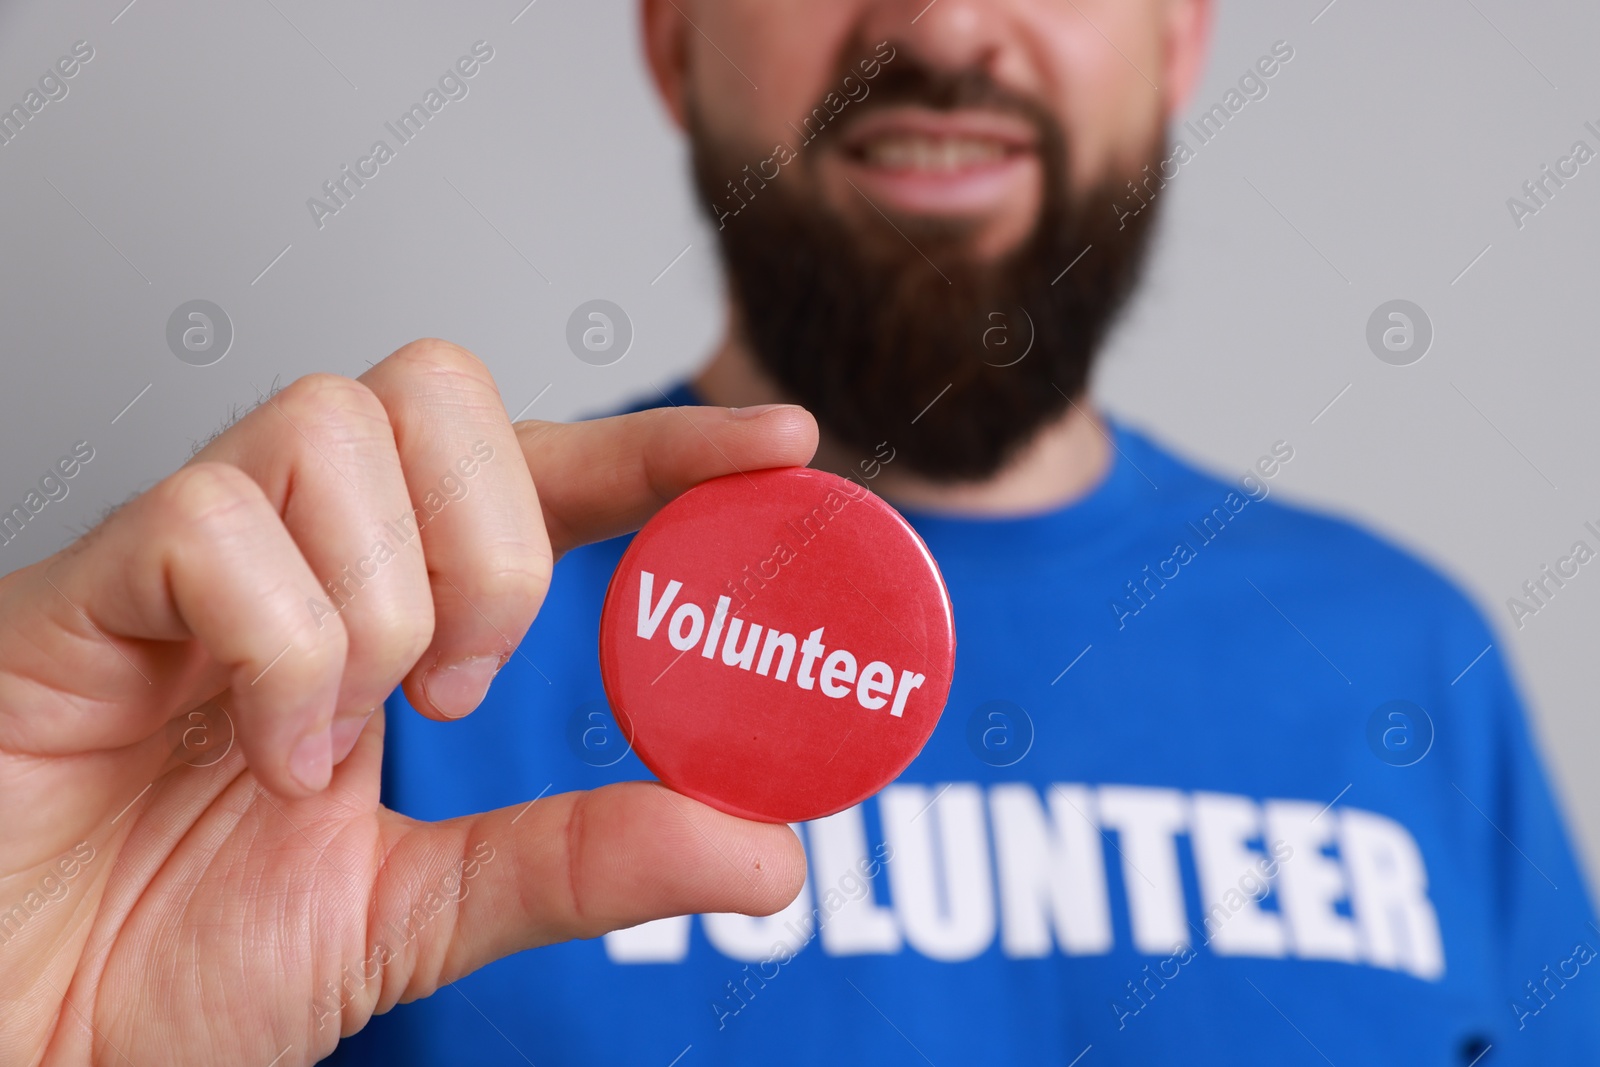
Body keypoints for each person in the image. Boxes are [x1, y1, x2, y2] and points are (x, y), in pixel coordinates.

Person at [1, 7, 1591, 1067]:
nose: (947, 27)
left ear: (1179, 40)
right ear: (674, 34)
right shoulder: (367, 673)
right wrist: (41, 1003)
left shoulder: (1410, 666)